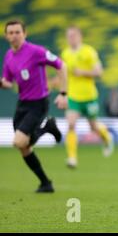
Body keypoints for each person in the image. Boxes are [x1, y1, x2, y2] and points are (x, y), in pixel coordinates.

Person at [0, 20, 68, 193]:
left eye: (17, 32)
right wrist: (2, 83)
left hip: (38, 103)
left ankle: (47, 128)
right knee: (24, 147)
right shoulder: (9, 56)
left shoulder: (36, 51)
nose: (14, 36)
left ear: (25, 34)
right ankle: (46, 183)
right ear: (6, 35)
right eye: (11, 33)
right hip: (22, 104)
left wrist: (63, 93)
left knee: (18, 141)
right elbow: (8, 82)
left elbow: (61, 65)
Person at [61, 26, 114, 169]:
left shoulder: (88, 51)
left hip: (89, 96)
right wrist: (62, 92)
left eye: (73, 35)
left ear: (80, 36)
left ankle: (107, 137)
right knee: (71, 124)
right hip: (73, 96)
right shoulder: (65, 54)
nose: (71, 38)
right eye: (69, 36)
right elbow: (64, 74)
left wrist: (83, 72)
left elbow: (99, 72)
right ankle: (72, 158)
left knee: (93, 126)